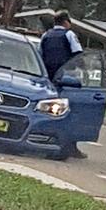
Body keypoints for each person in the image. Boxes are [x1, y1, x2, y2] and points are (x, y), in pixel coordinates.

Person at [39, 10, 85, 159]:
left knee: (46, 110)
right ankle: (70, 146)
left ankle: (43, 139)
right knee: (71, 112)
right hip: (66, 80)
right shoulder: (69, 34)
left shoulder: (46, 35)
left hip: (47, 80)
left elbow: (39, 55)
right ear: (66, 22)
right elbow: (78, 54)